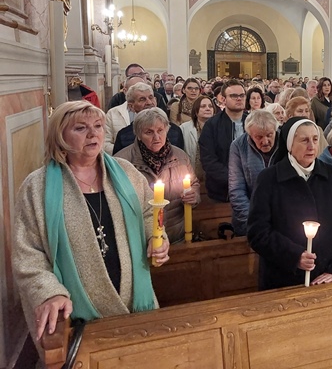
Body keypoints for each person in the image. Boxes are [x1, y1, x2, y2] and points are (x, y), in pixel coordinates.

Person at [12, 101, 169, 348]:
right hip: (78, 316)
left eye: (98, 126)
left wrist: (156, 238)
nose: (93, 134)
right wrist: (48, 292)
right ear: (60, 136)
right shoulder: (37, 187)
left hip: (134, 302)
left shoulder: (126, 172)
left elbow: (149, 212)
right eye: (80, 128)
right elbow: (28, 252)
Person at [247, 118, 332, 290]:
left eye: (315, 139)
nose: (311, 146)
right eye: (304, 140)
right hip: (283, 278)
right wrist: (295, 256)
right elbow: (258, 232)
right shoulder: (269, 179)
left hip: (326, 277)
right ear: (290, 144)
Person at [115, 108, 200, 243]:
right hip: (142, 239)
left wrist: (194, 195)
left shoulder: (180, 157)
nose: (156, 137)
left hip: (176, 235)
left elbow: (193, 184)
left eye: (160, 130)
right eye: (149, 132)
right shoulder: (122, 162)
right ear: (138, 135)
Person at [228, 110, 279, 236]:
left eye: (269, 135)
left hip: (281, 221)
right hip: (249, 220)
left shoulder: (285, 142)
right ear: (249, 134)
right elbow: (237, 190)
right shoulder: (238, 146)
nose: (265, 141)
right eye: (259, 137)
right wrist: (253, 223)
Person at [200, 79, 247, 202]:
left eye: (242, 95)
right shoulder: (212, 125)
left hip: (251, 191)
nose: (239, 98)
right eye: (234, 96)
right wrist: (235, 179)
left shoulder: (252, 122)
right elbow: (208, 160)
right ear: (223, 99)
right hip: (222, 192)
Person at [180, 95, 214, 183]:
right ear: (195, 111)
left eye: (210, 106)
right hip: (190, 175)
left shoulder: (220, 128)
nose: (208, 108)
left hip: (213, 177)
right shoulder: (184, 128)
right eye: (203, 106)